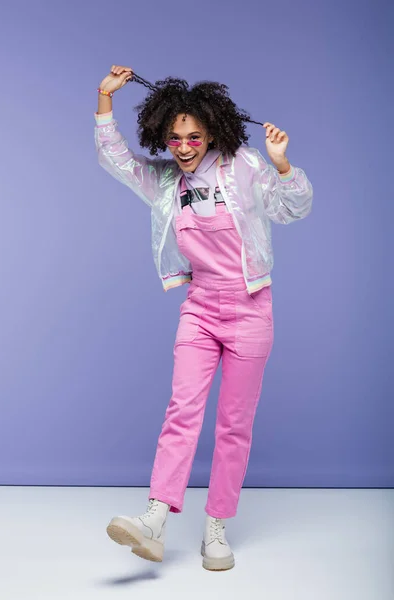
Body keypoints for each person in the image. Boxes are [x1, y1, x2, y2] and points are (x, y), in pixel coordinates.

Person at [94, 65, 313, 571]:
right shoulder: (167, 182)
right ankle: (154, 518)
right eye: (174, 138)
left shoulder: (244, 165)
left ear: (211, 132)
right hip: (200, 308)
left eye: (194, 136)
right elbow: (116, 159)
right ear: (164, 137)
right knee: (182, 410)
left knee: (234, 424)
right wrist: (105, 99)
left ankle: (216, 528)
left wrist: (282, 166)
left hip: (251, 308)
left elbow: (291, 208)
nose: (184, 146)